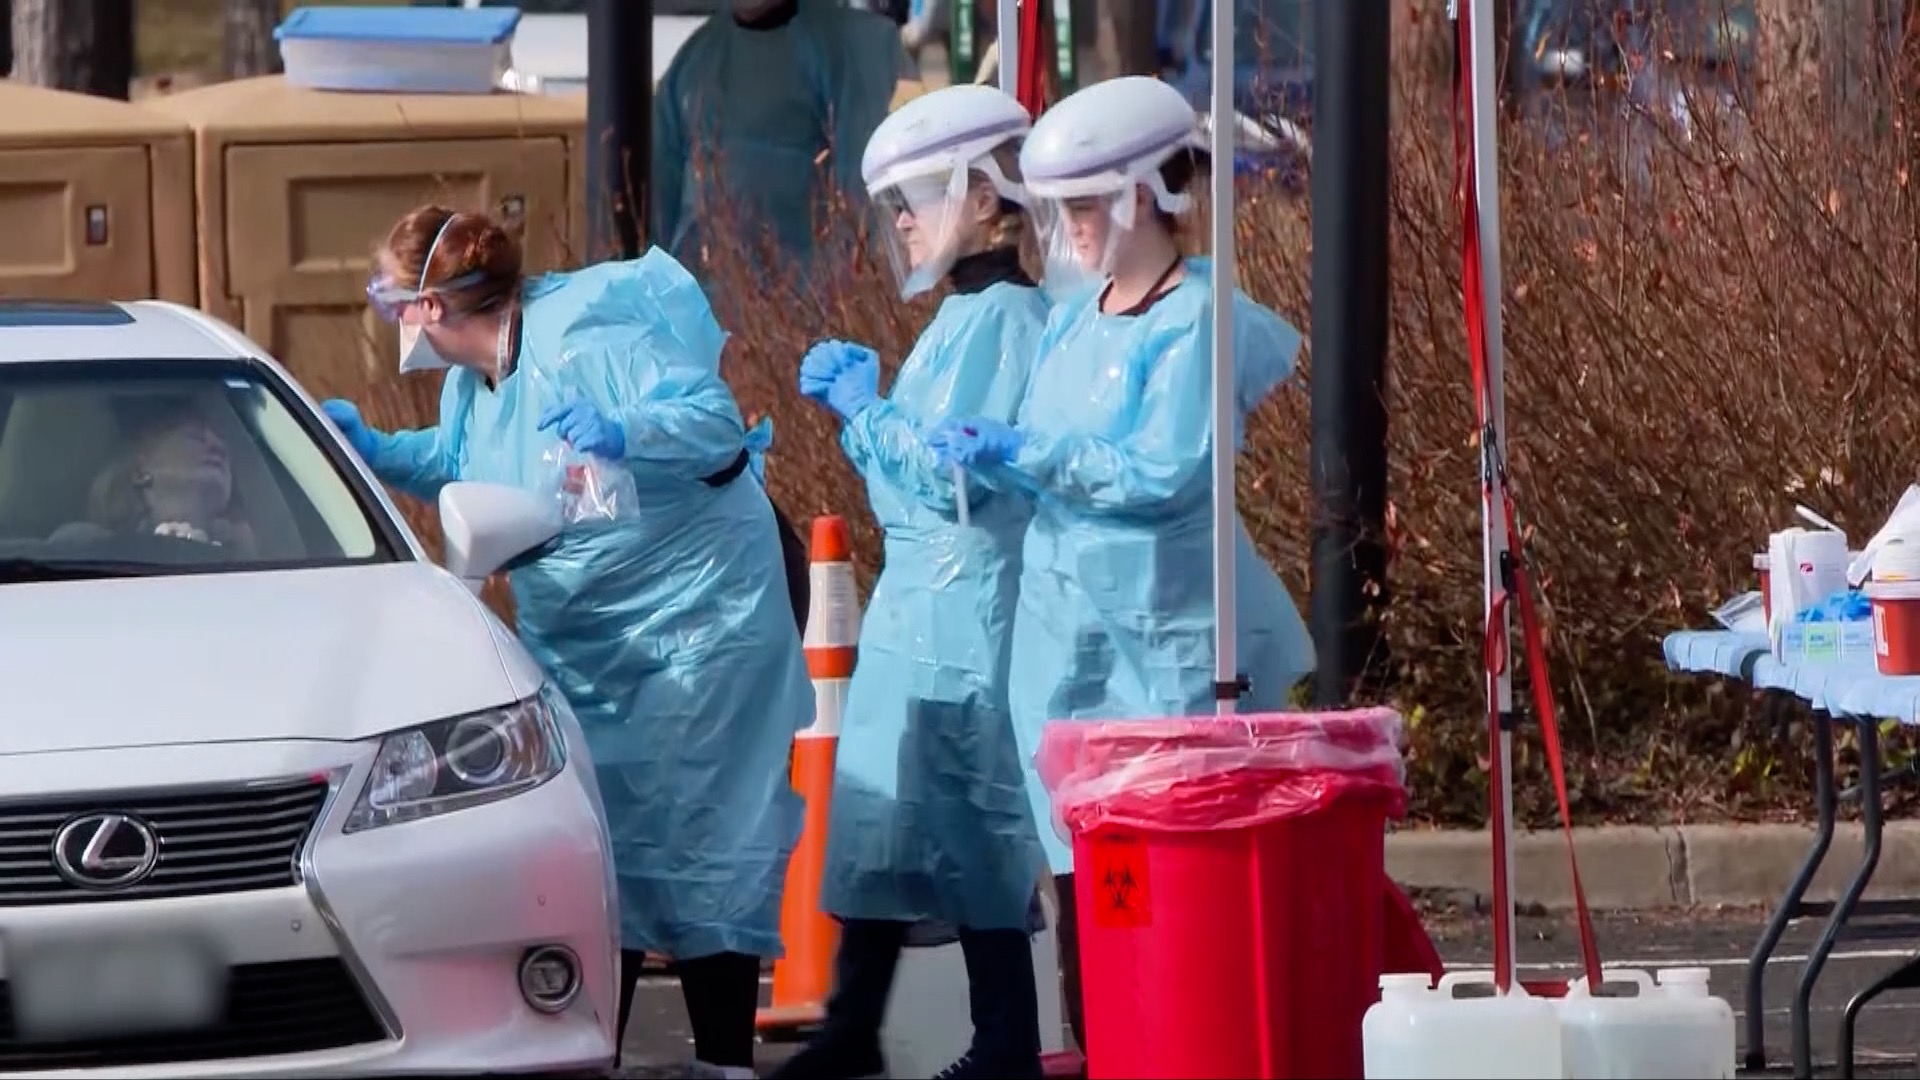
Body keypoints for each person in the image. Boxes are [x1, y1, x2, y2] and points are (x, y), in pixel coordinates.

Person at [320, 206, 814, 1080]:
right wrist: (379, 454)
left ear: (430, 305)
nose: (388, 316)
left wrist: (630, 434)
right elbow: (464, 459)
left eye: (389, 297)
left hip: (702, 624)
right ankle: (599, 1057)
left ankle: (726, 1062)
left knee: (706, 834)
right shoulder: (473, 382)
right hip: (595, 645)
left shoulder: (583, 336)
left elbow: (708, 417)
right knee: (604, 844)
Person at [927, 75, 1318, 1056]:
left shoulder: (1197, 319)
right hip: (1067, 669)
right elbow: (1050, 455)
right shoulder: (1076, 314)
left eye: (1086, 204)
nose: (1070, 227)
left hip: (1168, 664)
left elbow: (1167, 473)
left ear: (1145, 192)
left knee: (1174, 918)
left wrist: (1028, 453)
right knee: (1089, 902)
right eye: (1063, 207)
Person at [770, 83, 1049, 1080]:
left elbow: (946, 474)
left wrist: (866, 410)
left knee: (973, 823)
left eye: (919, 195)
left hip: (967, 605)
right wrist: (867, 416)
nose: (902, 220)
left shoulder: (1007, 318)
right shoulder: (966, 314)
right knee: (880, 812)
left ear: (986, 196)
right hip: (922, 602)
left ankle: (1005, 1042)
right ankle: (853, 1027)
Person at [652, 0, 905, 274]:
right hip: (695, 296)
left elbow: (860, 206)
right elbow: (654, 201)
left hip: (802, 303)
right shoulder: (693, 64)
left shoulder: (847, 50)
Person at [60, 402, 252, 552]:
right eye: (195, 436)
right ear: (139, 471)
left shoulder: (259, 558)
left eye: (222, 440)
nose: (217, 446)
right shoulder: (83, 545)